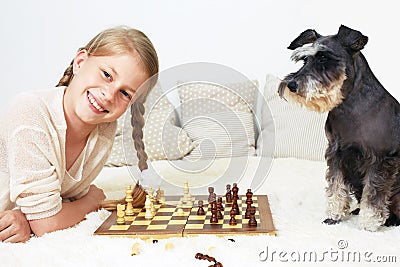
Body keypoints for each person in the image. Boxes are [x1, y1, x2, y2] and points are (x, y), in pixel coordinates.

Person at [0, 26, 159, 242]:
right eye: (106, 75)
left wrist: (26, 217)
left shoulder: (104, 129)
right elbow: (47, 223)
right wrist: (91, 201)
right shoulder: (30, 111)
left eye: (125, 93)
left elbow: (57, 203)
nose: (109, 95)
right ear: (80, 62)